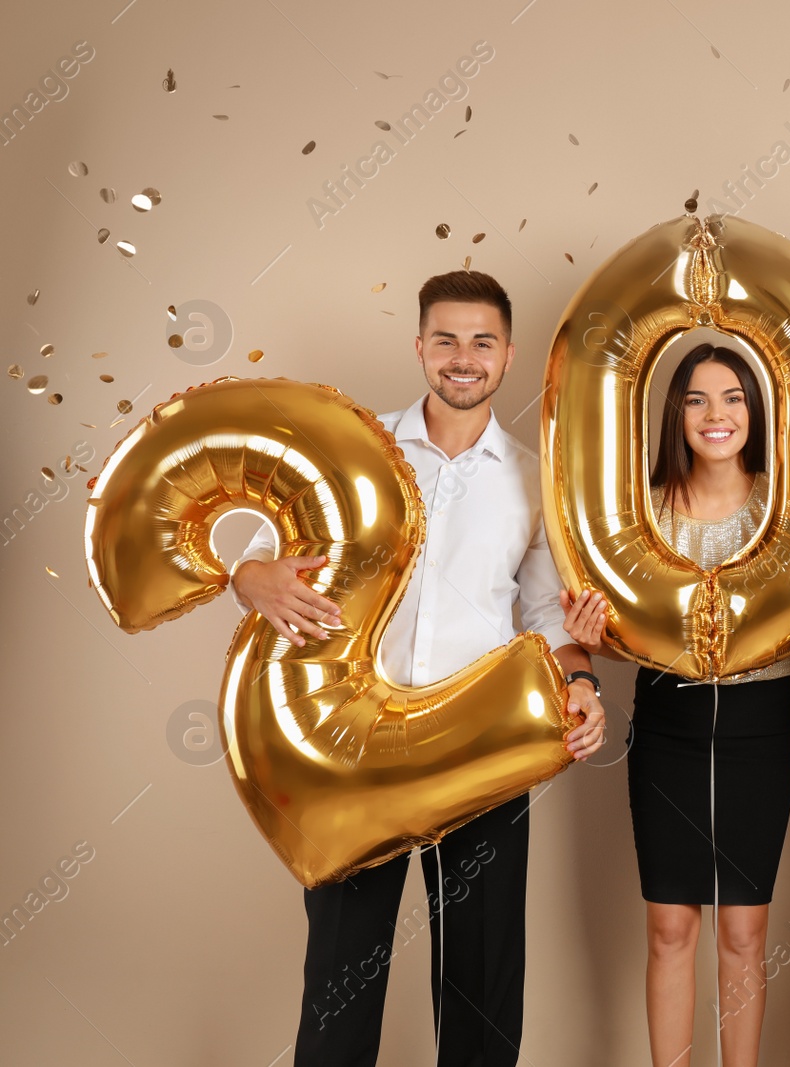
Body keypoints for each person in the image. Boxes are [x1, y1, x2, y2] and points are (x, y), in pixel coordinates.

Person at [230, 270, 607, 1067]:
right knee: (341, 974)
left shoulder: (536, 478)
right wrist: (246, 575)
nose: (462, 358)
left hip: (484, 749)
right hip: (357, 748)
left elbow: (542, 615)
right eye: (446, 339)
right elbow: (280, 552)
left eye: (481, 342)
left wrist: (582, 681)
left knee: (482, 978)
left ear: (507, 355)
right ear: (420, 347)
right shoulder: (358, 449)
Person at [560, 342, 790, 1067]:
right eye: (696, 398)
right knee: (669, 928)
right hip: (668, 724)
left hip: (761, 728)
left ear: (757, 412)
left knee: (745, 932)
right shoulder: (640, 511)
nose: (715, 414)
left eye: (733, 398)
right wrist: (590, 641)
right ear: (675, 412)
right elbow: (631, 638)